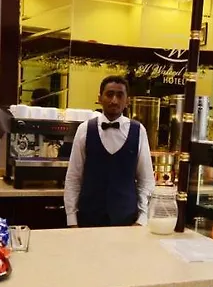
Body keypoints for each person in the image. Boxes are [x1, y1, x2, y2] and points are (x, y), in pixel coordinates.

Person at [64, 75, 155, 228]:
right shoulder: (84, 129)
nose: (114, 100)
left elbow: (146, 180)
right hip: (88, 219)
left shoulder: (139, 131)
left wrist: (142, 219)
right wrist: (72, 220)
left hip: (127, 220)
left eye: (120, 95)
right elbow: (73, 178)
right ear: (99, 98)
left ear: (127, 101)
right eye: (109, 94)